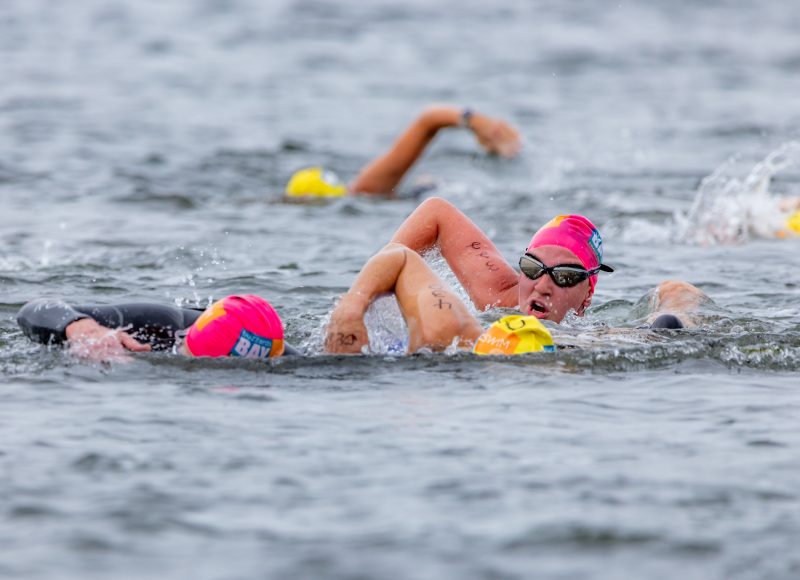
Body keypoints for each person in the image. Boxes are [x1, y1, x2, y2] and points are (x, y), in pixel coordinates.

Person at [284, 105, 521, 198]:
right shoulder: (364, 191)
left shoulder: (365, 189)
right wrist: (477, 122)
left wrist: (476, 122)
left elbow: (428, 120)